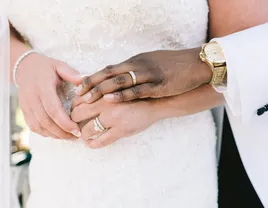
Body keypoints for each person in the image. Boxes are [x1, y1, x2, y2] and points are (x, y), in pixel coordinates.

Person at [7, 0, 268, 207]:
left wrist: (154, 107)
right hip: (56, 177)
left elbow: (247, 61)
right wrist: (22, 63)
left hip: (168, 173)